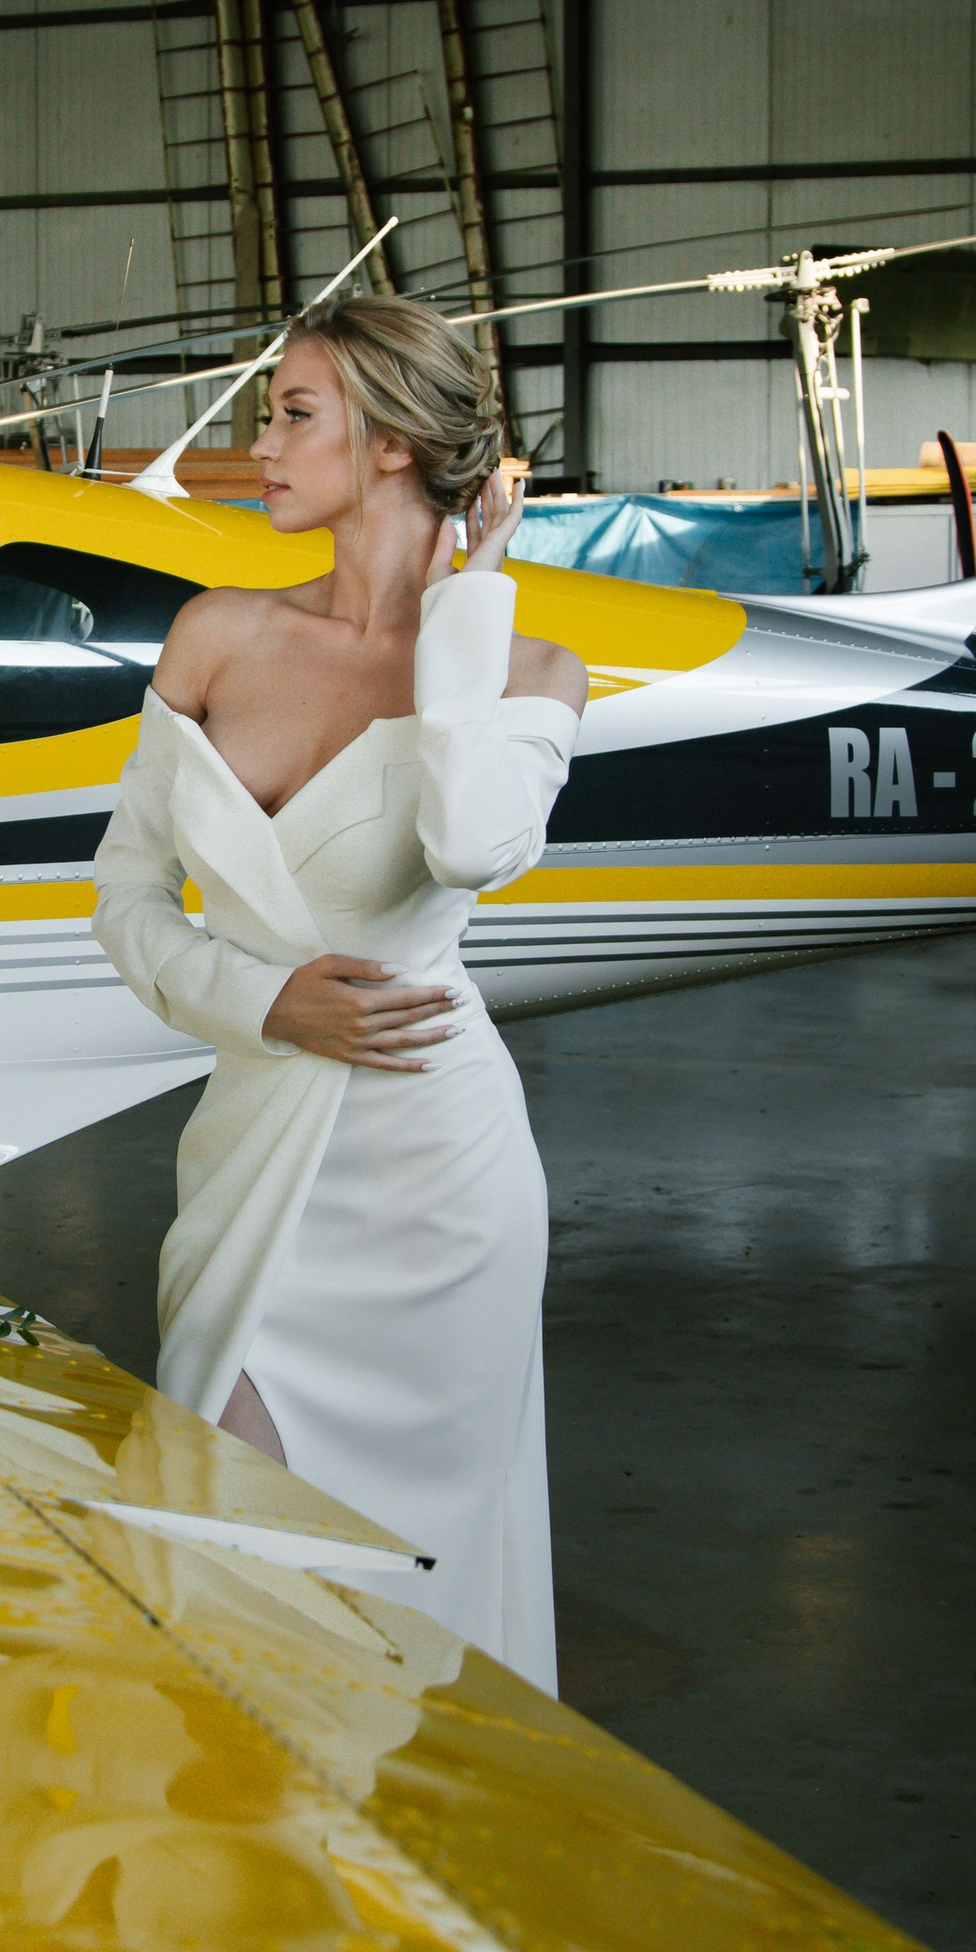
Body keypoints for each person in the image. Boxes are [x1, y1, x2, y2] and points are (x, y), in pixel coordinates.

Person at [92, 299, 589, 1689]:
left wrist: (466, 605)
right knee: (215, 1522)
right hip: (256, 1140)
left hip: (435, 1174)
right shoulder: (216, 635)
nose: (261, 443)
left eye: (295, 413)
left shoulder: (532, 671)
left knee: (414, 1600)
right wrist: (264, 1007)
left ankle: (388, 1862)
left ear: (393, 446)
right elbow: (124, 901)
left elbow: (471, 846)